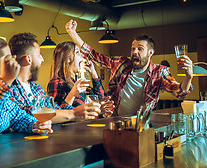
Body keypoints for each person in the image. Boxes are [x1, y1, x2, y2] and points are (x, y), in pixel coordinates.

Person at [65, 19, 194, 117]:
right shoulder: (121, 63)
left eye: (140, 49)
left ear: (150, 53)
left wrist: (189, 76)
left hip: (141, 124)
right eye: (133, 48)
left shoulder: (159, 72)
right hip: (115, 120)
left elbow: (180, 92)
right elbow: (94, 55)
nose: (135, 52)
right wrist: (72, 33)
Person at [8, 33, 101, 122]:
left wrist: (88, 111)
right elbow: (27, 115)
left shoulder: (36, 87)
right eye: (39, 54)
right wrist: (74, 113)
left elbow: (57, 111)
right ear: (29, 59)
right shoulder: (9, 89)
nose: (42, 59)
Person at [47, 41, 113, 117]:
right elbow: (56, 115)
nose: (83, 56)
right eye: (77, 52)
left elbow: (101, 99)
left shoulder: (78, 82)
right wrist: (72, 94)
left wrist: (93, 73)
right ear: (67, 58)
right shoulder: (57, 82)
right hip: (73, 128)